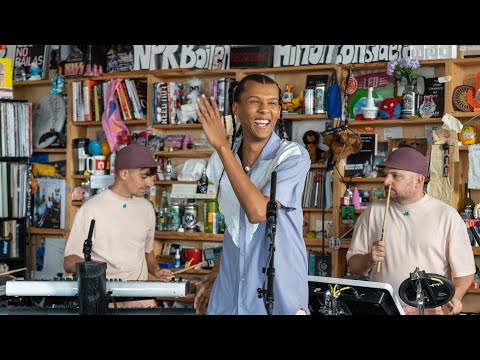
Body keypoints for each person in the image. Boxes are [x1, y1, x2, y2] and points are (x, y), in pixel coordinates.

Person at [193, 74, 311, 315]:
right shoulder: (220, 161)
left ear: (279, 110)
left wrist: (222, 145)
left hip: (277, 295)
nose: (265, 110)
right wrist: (215, 272)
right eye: (255, 102)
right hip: (229, 292)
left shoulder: (292, 156)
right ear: (236, 108)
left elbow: (258, 212)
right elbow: (236, 229)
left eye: (273, 103)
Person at [346, 146, 475, 315]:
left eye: (395, 176)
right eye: (386, 175)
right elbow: (354, 267)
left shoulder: (446, 215)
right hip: (382, 309)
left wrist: (447, 304)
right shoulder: (374, 211)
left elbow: (464, 274)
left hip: (428, 312)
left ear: (418, 180)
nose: (386, 182)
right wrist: (369, 258)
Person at [64, 143, 173, 308]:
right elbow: (69, 261)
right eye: (144, 177)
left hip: (141, 301)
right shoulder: (91, 209)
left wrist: (156, 270)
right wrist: (95, 269)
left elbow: (147, 251)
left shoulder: (147, 208)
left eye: (151, 177)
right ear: (124, 173)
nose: (150, 183)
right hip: (102, 301)